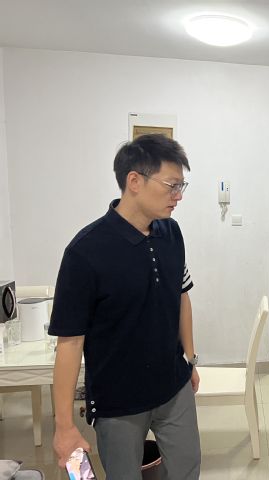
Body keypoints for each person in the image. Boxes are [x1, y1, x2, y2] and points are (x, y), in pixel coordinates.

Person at [49, 134, 201, 479]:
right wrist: (64, 426)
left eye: (182, 186)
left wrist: (190, 359)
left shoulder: (172, 233)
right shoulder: (85, 252)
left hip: (173, 386)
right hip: (117, 400)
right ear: (134, 181)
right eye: (172, 185)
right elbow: (70, 341)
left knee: (187, 469)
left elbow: (181, 296)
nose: (178, 196)